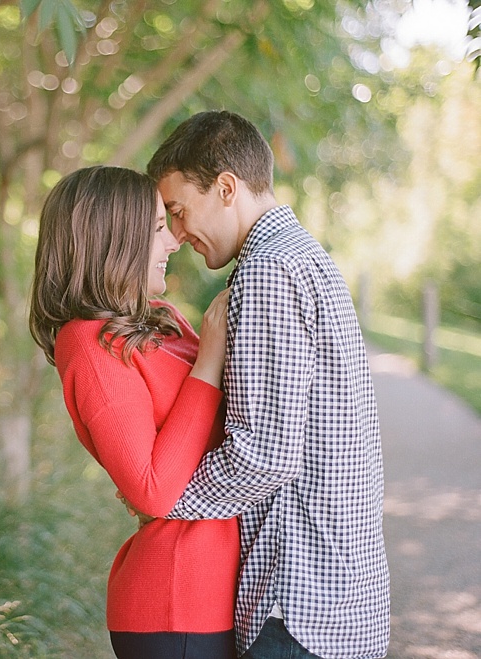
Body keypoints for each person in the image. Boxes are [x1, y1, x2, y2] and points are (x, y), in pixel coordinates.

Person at [142, 110, 390, 659]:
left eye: (179, 212)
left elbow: (262, 456)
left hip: (298, 609)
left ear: (226, 188)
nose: (177, 235)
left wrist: (163, 499)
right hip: (343, 602)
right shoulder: (305, 257)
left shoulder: (267, 272)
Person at [29, 165, 241, 659]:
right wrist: (210, 357)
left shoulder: (159, 319)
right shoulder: (87, 344)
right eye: (155, 229)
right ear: (114, 241)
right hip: (175, 602)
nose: (173, 242)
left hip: (220, 590)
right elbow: (151, 489)